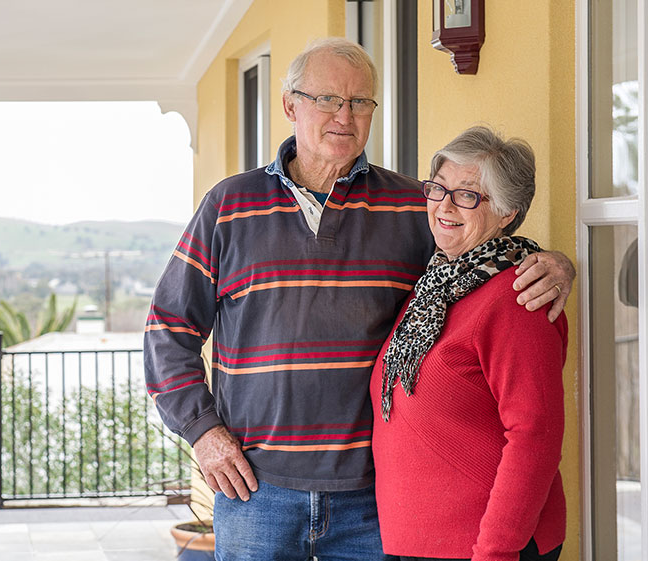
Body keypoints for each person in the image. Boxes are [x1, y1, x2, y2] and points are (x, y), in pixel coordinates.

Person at [144, 37, 574, 560]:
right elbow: (168, 327)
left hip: (374, 501)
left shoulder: (412, 205)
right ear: (290, 106)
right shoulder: (230, 206)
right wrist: (202, 430)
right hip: (257, 490)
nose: (343, 116)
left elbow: (476, 251)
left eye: (359, 102)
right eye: (327, 99)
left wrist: (556, 264)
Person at [371, 127, 566, 561]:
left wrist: (495, 552)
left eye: (467, 195)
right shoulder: (434, 287)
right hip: (419, 541)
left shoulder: (518, 298)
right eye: (438, 188)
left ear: (506, 212)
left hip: (482, 547)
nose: (444, 205)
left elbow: (536, 435)